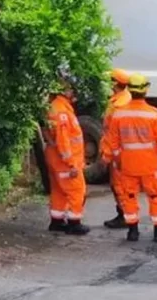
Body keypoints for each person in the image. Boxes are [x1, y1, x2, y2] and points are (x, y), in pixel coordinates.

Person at [101, 73, 157, 243]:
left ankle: (132, 231)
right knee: (155, 197)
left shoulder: (119, 114)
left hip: (127, 166)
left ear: (130, 91)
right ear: (146, 90)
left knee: (129, 197)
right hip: (149, 165)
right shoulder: (153, 115)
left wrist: (113, 159)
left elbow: (113, 141)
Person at [43, 65, 90, 235]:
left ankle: (56, 221)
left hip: (54, 157)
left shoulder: (56, 107)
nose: (74, 94)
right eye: (71, 90)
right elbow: (63, 141)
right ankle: (74, 223)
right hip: (64, 160)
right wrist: (71, 164)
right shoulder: (62, 112)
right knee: (77, 190)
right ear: (65, 92)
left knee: (59, 190)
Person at [101, 68, 133, 229]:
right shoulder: (121, 100)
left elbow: (114, 133)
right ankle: (125, 214)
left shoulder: (120, 105)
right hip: (119, 152)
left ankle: (125, 216)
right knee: (119, 184)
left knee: (120, 185)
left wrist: (108, 154)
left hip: (119, 153)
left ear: (115, 83)